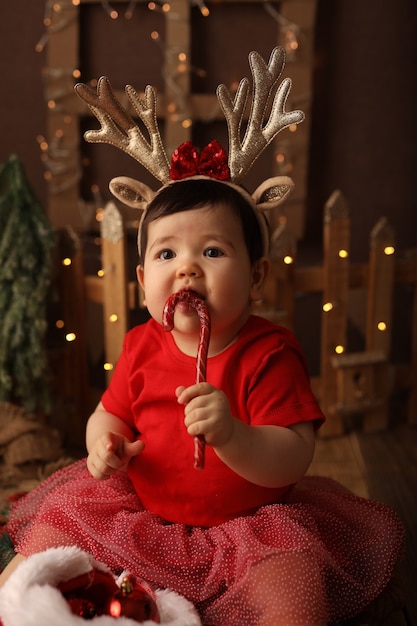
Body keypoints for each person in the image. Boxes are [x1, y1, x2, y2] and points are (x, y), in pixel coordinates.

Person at [0, 177, 405, 626]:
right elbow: (109, 413)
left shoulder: (270, 353)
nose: (187, 268)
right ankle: (9, 602)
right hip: (141, 512)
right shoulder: (141, 344)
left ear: (256, 277)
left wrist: (234, 436)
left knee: (295, 596)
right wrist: (104, 445)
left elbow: (293, 457)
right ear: (141, 280)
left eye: (212, 251)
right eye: (166, 254)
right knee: (52, 533)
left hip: (252, 528)